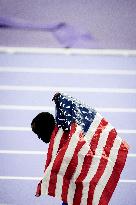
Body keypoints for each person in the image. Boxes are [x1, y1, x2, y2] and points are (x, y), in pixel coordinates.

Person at [31, 111, 68, 205]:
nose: (39, 137)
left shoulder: (62, 141)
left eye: (38, 133)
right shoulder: (61, 137)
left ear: (45, 129)